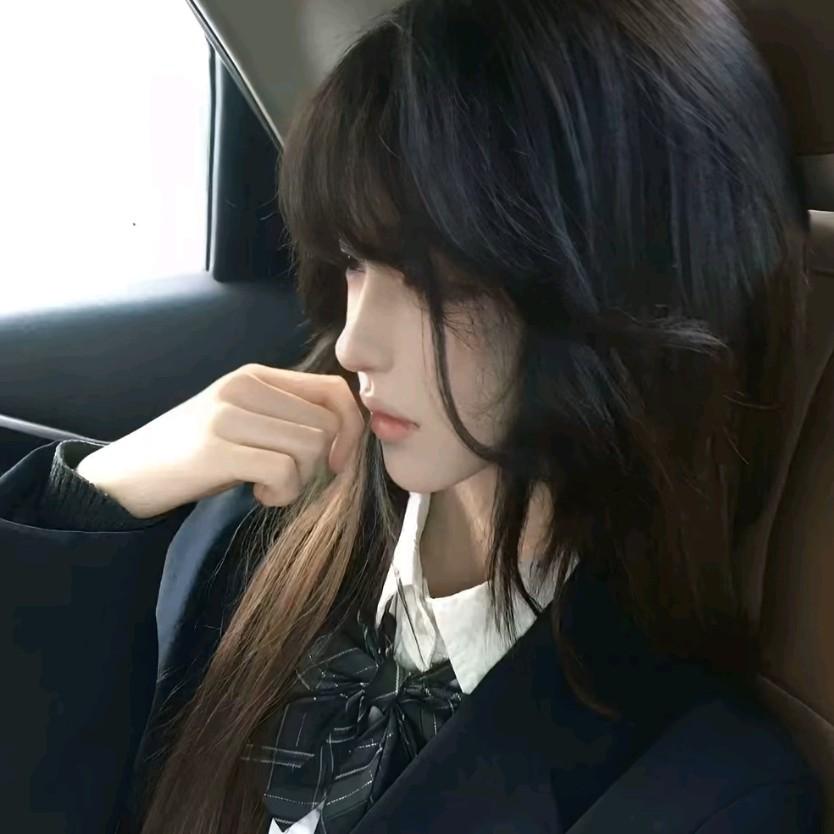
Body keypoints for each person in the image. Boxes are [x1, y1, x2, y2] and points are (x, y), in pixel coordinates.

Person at [0, 0, 822, 833]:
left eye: (436, 281)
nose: (353, 341)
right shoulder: (246, 529)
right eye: (353, 261)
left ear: (621, 290)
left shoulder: (706, 797)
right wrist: (94, 498)